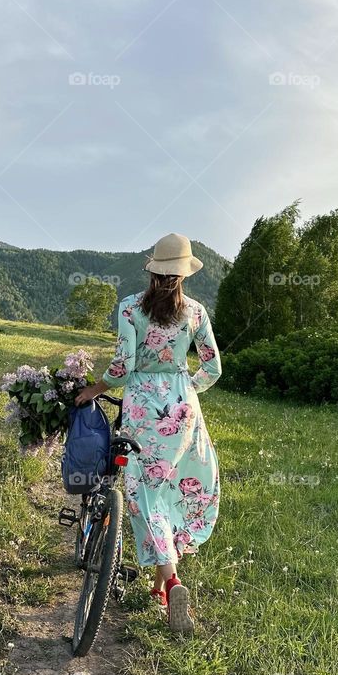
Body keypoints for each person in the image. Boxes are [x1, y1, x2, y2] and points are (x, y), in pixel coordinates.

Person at [75, 232, 222, 634]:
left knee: (144, 492)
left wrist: (94, 389)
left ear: (153, 269)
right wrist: (186, 385)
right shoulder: (195, 312)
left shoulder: (130, 309)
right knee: (175, 487)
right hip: (182, 408)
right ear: (184, 273)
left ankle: (170, 578)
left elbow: (122, 366)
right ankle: (164, 585)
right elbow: (213, 368)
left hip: (142, 406)